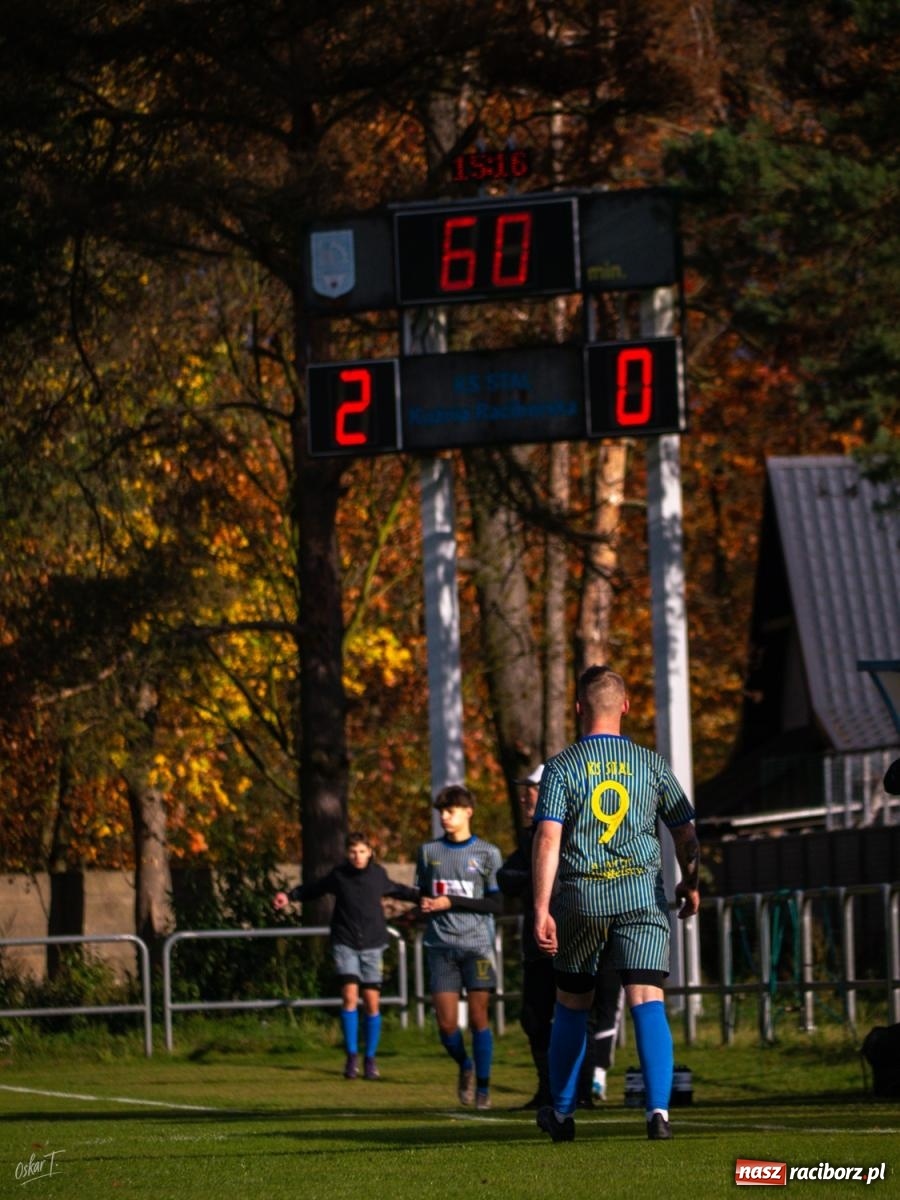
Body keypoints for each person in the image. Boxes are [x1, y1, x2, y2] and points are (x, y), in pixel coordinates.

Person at [532, 665, 700, 1143]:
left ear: (579, 708)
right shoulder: (652, 765)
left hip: (582, 896)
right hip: (641, 895)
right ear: (626, 706)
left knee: (572, 1002)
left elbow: (547, 838)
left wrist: (540, 906)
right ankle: (659, 1112)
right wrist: (690, 882)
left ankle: (562, 1114)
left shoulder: (562, 767)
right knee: (647, 999)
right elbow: (685, 830)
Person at [273, 831, 419, 1081]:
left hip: (373, 943)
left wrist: (424, 896)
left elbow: (399, 890)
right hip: (345, 942)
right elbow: (315, 888)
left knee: (372, 1002)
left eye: (362, 851)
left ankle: (370, 1058)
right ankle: (351, 1056)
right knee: (350, 996)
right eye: (353, 852)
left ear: (370, 853)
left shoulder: (378, 875)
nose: (357, 856)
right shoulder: (339, 875)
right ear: (347, 854)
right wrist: (290, 896)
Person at [416, 783, 504, 1111]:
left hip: (477, 947)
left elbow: (496, 905)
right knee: (446, 1024)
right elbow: (420, 892)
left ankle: (483, 1086)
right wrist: (418, 905)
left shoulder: (487, 853)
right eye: (441, 812)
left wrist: (450, 901)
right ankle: (465, 1065)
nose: (445, 817)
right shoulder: (428, 852)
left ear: (468, 812)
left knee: (480, 1016)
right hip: (440, 946)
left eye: (450, 811)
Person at [497, 763, 555, 1109]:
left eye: (531, 788)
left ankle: (576, 1088)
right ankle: (549, 1088)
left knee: (575, 1015)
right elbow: (506, 877)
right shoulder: (529, 840)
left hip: (568, 941)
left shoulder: (570, 834)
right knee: (534, 1017)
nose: (524, 796)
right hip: (538, 946)